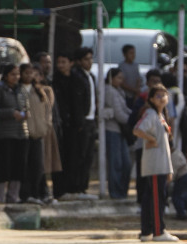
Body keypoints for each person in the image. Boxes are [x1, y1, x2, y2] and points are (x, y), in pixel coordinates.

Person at [133, 82, 179, 241]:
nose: (161, 98)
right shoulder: (151, 114)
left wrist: (169, 169)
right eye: (158, 96)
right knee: (157, 198)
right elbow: (137, 129)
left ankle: (146, 231)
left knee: (150, 197)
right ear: (151, 99)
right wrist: (151, 139)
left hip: (161, 163)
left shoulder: (160, 116)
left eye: (164, 95)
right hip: (155, 164)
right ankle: (158, 231)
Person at [53, 48, 97, 197]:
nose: (61, 65)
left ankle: (80, 187)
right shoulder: (65, 80)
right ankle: (71, 187)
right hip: (72, 124)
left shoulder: (87, 77)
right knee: (73, 157)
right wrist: (78, 121)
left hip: (87, 121)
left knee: (85, 156)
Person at [0, 61, 33, 204]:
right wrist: (10, 113)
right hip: (5, 133)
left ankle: (13, 195)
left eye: (17, 74)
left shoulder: (21, 89)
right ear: (6, 75)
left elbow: (26, 105)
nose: (16, 77)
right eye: (12, 74)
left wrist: (25, 113)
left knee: (18, 166)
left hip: (21, 132)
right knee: (4, 166)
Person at [25, 63, 59, 204]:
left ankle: (41, 193)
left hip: (40, 132)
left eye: (36, 73)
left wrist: (45, 126)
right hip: (25, 133)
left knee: (39, 165)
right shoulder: (23, 90)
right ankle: (30, 194)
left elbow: (47, 111)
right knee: (29, 166)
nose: (33, 76)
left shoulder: (41, 91)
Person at [100, 67, 133, 199]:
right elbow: (119, 114)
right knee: (116, 163)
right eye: (118, 78)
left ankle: (122, 191)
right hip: (113, 130)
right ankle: (116, 192)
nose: (121, 81)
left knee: (126, 163)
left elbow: (124, 109)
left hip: (121, 131)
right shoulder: (109, 91)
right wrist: (132, 120)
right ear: (111, 78)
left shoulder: (119, 91)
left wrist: (135, 116)